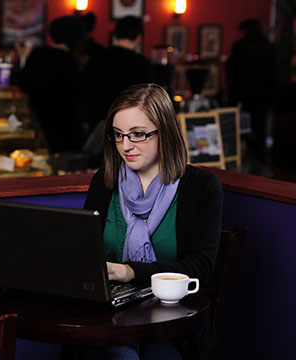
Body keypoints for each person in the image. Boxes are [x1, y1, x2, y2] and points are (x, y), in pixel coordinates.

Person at [82, 83, 224, 359]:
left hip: (173, 325)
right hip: (109, 320)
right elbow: (86, 254)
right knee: (119, 352)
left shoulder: (201, 187)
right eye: (118, 135)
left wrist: (130, 271)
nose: (125, 146)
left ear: (166, 133)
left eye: (138, 135)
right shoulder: (104, 181)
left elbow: (200, 268)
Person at [19, 16, 87, 154]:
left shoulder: (36, 55)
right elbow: (80, 95)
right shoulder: (70, 62)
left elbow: (23, 85)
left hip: (37, 125)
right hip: (64, 129)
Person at [84, 16, 155, 133]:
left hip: (99, 124)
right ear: (139, 37)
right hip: (130, 126)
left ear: (115, 35)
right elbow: (148, 98)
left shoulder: (97, 58)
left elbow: (86, 91)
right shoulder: (142, 64)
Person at [226, 18, 277, 160]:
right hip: (264, 96)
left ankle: (238, 158)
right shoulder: (269, 47)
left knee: (239, 129)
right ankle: (260, 162)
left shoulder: (240, 47)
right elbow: (274, 74)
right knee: (261, 130)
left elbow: (232, 71)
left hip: (242, 95)